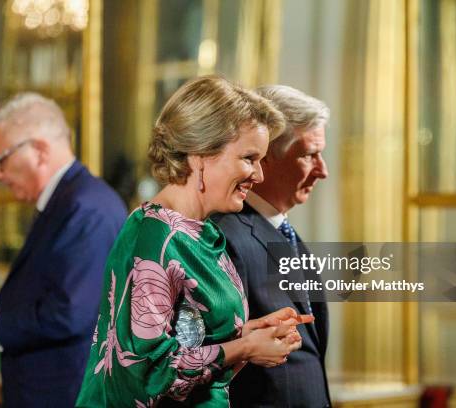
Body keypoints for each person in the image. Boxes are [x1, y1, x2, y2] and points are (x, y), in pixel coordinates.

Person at [76, 76, 313, 408]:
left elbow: (196, 345)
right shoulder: (154, 234)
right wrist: (244, 348)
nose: (258, 175)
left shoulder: (205, 233)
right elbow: (149, 370)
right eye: (249, 158)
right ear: (201, 155)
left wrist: (251, 335)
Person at [0, 93, 127, 407]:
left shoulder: (86, 208)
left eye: (0, 160)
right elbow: (48, 290)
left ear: (39, 150)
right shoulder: (70, 201)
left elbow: (69, 313)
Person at [213, 85, 332, 407]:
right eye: (309, 155)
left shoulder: (284, 231)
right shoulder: (226, 236)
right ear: (268, 157)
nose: (323, 171)